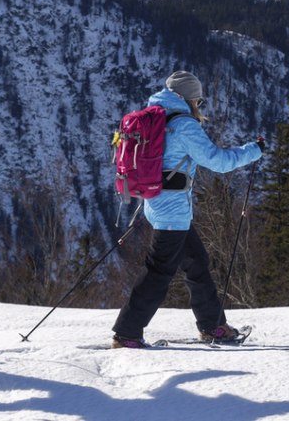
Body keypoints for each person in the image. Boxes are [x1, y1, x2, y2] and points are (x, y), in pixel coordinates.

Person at [112, 71, 264, 348]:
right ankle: (127, 333)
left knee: (196, 263)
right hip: (172, 212)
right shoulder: (183, 125)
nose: (199, 105)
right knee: (158, 272)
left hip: (158, 205)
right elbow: (217, 161)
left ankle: (213, 326)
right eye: (199, 100)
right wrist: (252, 151)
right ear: (190, 98)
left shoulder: (154, 116)